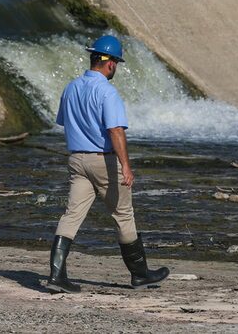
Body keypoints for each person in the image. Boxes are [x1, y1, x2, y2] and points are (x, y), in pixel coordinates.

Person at [46, 34, 170, 293]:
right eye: (117, 63)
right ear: (110, 63)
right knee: (123, 215)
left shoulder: (71, 87)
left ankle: (56, 275)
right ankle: (140, 274)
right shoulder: (107, 91)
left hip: (77, 160)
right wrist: (125, 165)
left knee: (71, 215)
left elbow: (63, 122)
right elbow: (115, 131)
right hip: (103, 161)